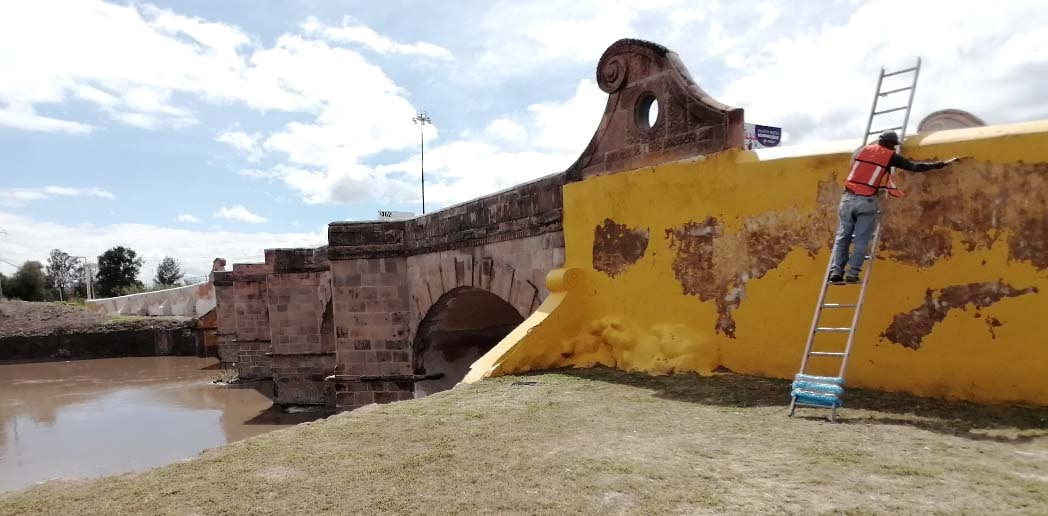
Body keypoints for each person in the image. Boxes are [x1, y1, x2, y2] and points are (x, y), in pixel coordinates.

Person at [829, 130, 961, 284]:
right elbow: (914, 167)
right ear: (891, 145)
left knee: (843, 237)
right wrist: (942, 164)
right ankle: (852, 274)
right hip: (867, 201)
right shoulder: (890, 156)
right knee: (862, 239)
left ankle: (836, 273)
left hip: (847, 198)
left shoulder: (860, 150)